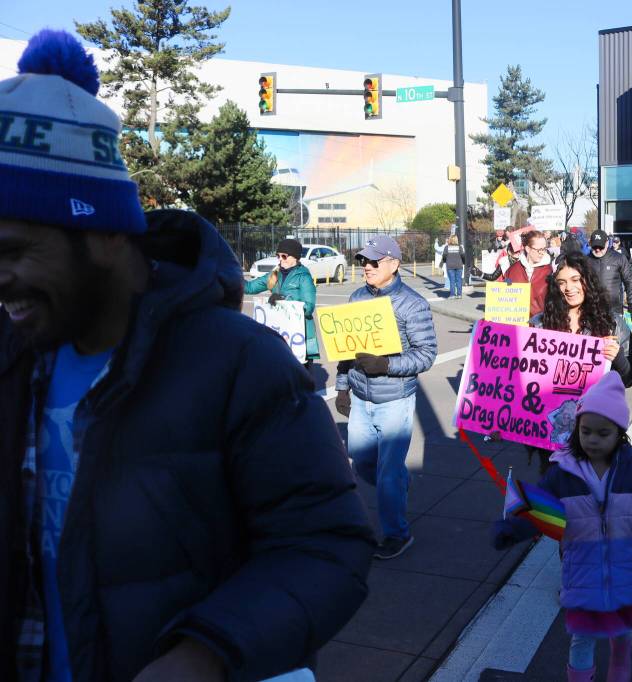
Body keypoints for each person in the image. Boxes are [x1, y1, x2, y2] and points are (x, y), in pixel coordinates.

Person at [0, 30, 374, 681]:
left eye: (15, 250)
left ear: (106, 231)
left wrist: (205, 655)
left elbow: (326, 546)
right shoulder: (15, 355)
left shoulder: (239, 365)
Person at [492, 372, 632, 682]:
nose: (592, 439)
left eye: (603, 433)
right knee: (582, 640)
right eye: (586, 430)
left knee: (623, 640)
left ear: (620, 433)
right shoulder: (561, 473)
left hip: (627, 576)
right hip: (582, 576)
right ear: (576, 428)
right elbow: (536, 513)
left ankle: (619, 675)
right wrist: (510, 530)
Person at [335, 235, 438, 560]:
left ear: (393, 264)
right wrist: (342, 385)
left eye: (374, 261)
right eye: (364, 260)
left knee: (386, 473)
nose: (367, 266)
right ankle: (398, 480)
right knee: (363, 461)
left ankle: (397, 534)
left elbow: (426, 355)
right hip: (361, 397)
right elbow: (345, 349)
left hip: (395, 398)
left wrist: (387, 365)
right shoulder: (355, 297)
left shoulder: (412, 303)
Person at [523, 252, 632, 474]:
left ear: (588, 281)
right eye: (562, 282)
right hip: (553, 432)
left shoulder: (612, 323)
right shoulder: (540, 325)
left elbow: (628, 378)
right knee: (555, 499)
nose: (569, 288)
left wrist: (618, 358)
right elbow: (525, 378)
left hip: (596, 429)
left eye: (576, 280)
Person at [245, 237, 320, 369]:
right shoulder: (274, 274)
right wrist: (229, 276)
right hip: (281, 335)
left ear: (295, 257)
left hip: (299, 337)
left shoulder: (303, 276)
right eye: (278, 256)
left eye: (284, 256)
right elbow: (250, 287)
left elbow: (308, 307)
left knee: (300, 383)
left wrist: (284, 299)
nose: (280, 259)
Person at [587, 230, 632, 318]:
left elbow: (629, 281)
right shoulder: (585, 260)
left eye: (600, 246)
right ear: (590, 244)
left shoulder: (619, 258)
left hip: (614, 310)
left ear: (607, 243)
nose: (597, 250)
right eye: (595, 247)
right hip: (591, 310)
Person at [504, 229, 553, 317]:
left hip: (540, 325)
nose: (542, 253)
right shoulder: (512, 270)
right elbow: (502, 295)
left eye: (544, 249)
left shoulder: (550, 271)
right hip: (516, 322)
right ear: (528, 249)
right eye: (539, 250)